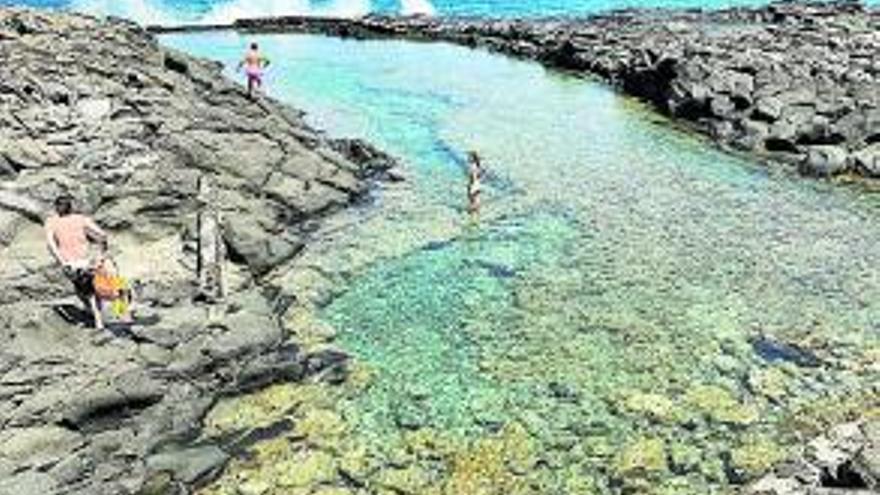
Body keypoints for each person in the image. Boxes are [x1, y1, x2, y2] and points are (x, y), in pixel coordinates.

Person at [45, 194, 108, 330]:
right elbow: (102, 235)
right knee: (89, 289)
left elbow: (51, 244)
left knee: (82, 289)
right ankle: (95, 315)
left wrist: (61, 260)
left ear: (57, 207)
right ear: (70, 207)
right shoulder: (81, 219)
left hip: (69, 262)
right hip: (86, 260)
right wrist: (100, 254)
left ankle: (96, 318)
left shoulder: (51, 222)